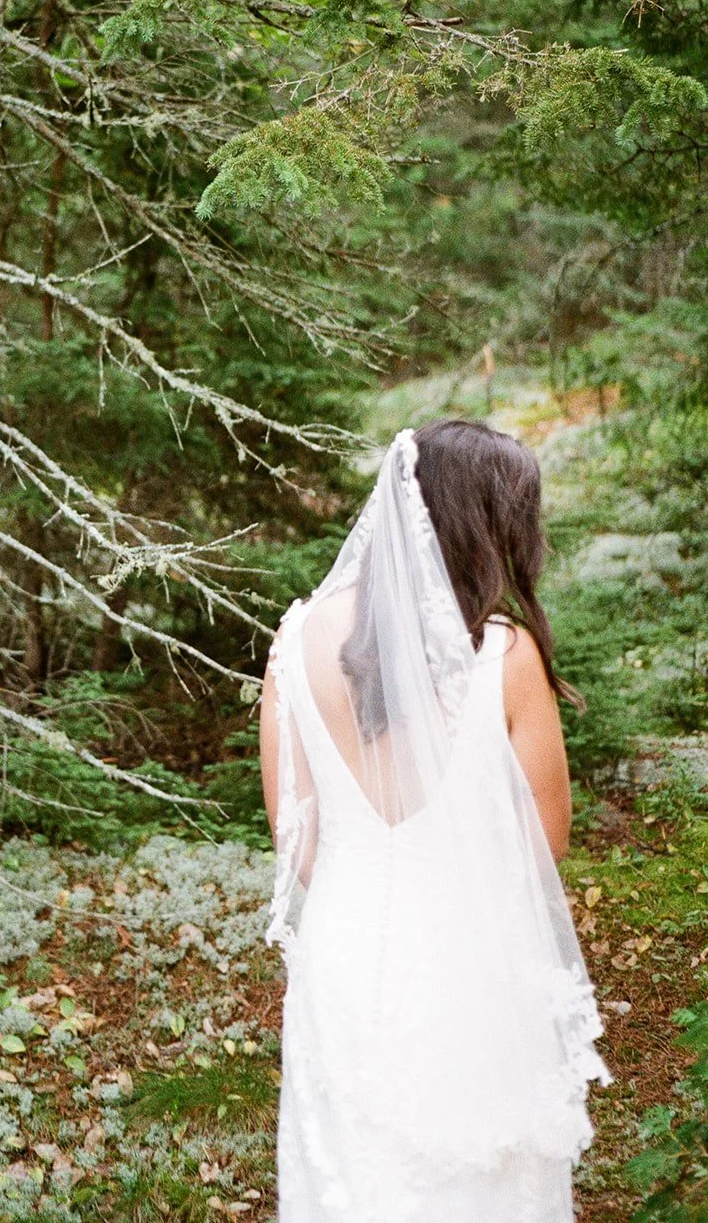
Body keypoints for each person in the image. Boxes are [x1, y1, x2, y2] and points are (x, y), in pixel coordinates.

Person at [259, 419, 610, 1223]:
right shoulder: (503, 654)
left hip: (343, 953)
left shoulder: (294, 641)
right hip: (469, 954)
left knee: (351, 1178)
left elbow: (294, 835)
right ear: (478, 524)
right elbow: (544, 840)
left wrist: (367, 882)